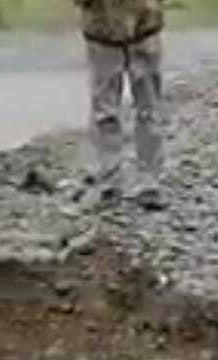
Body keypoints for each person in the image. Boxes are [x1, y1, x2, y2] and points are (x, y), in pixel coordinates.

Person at [72, 0, 166, 209]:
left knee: (148, 110)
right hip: (103, 33)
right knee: (106, 113)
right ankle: (111, 180)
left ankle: (149, 183)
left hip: (144, 29)